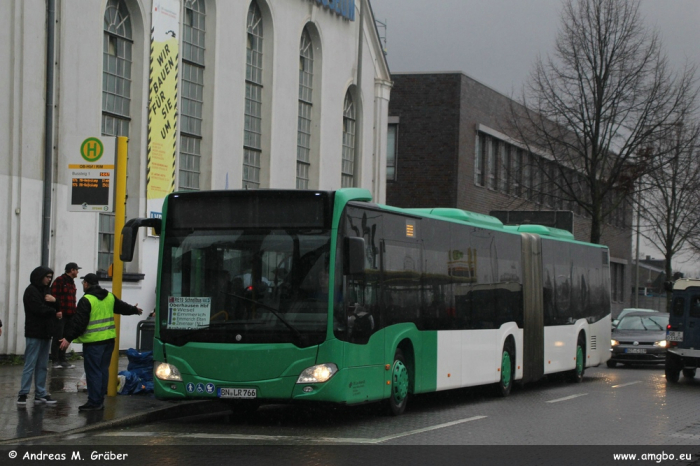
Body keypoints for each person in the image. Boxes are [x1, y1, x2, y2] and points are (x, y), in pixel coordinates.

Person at [59, 273, 142, 411]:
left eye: (83, 283)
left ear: (86, 284)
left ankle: (94, 402)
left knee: (93, 372)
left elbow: (79, 323)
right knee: (103, 371)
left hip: (94, 343)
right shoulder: (109, 296)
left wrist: (68, 338)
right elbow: (122, 307)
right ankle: (99, 400)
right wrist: (134, 310)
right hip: (109, 341)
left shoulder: (86, 300)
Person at [17, 266, 61, 406]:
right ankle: (23, 394)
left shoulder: (45, 291)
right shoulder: (31, 291)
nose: (49, 280)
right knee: (30, 364)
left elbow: (55, 306)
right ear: (40, 277)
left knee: (42, 365)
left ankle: (40, 394)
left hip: (45, 332)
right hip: (34, 332)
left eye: (50, 277)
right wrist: (53, 310)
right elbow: (38, 309)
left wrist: (55, 303)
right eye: (47, 277)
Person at [50, 262, 81, 369]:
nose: (77, 272)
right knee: (58, 336)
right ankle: (55, 360)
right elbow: (54, 297)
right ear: (72, 270)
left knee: (66, 337)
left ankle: (62, 359)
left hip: (70, 314)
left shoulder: (72, 282)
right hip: (61, 314)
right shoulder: (59, 281)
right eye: (77, 270)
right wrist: (57, 310)